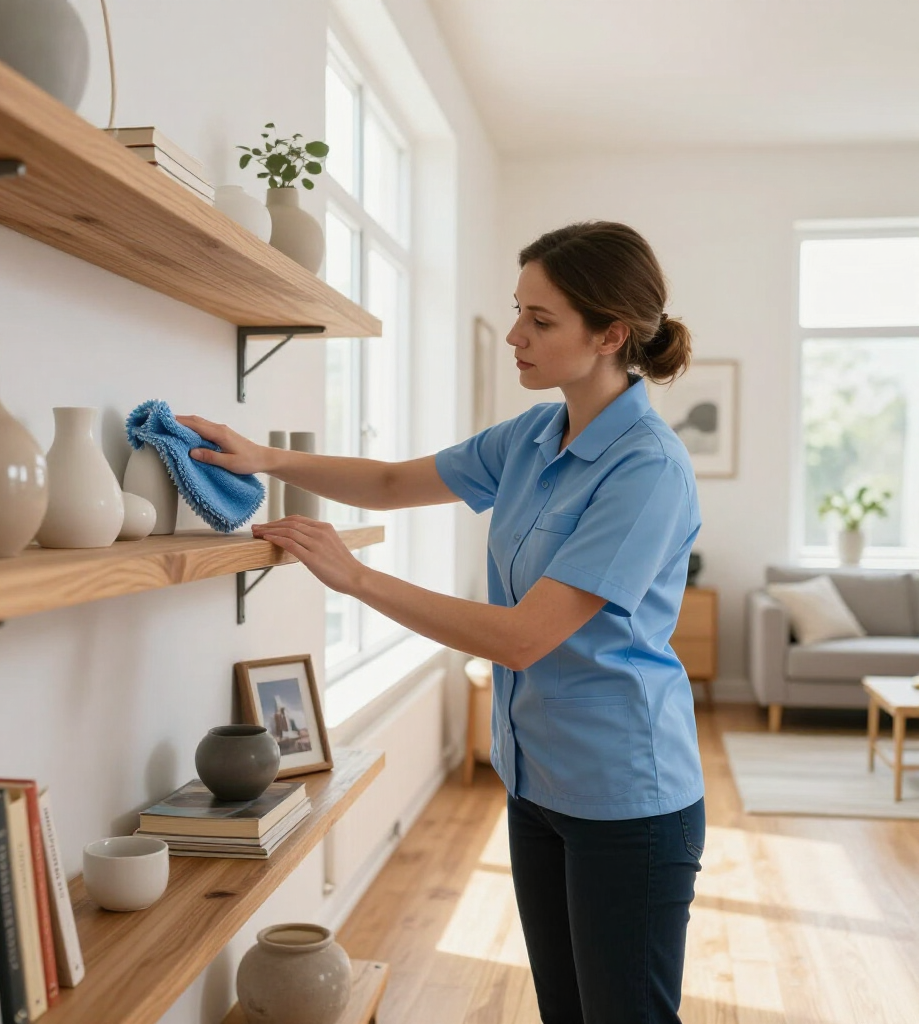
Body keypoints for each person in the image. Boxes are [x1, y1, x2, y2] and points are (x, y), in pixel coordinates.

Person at [178, 220, 705, 1024]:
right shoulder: (532, 436)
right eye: (517, 310)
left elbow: (526, 636)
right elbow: (392, 481)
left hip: (626, 799)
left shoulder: (648, 469)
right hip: (535, 780)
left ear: (611, 334)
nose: (515, 335)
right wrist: (268, 458)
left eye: (541, 319)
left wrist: (353, 577)